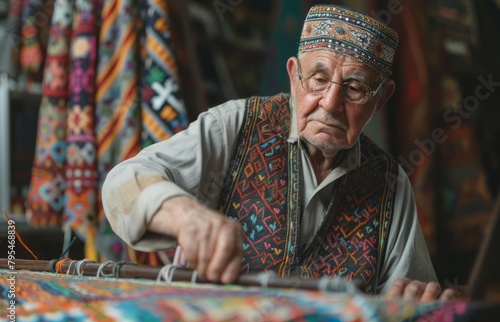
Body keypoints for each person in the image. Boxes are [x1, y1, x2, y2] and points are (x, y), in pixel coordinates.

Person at [102, 4, 455, 301]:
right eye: (318, 79)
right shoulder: (237, 126)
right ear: (293, 75)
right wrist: (185, 216)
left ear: (381, 99)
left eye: (354, 88)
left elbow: (409, 302)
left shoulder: (390, 183)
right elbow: (122, 183)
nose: (330, 103)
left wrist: (417, 303)